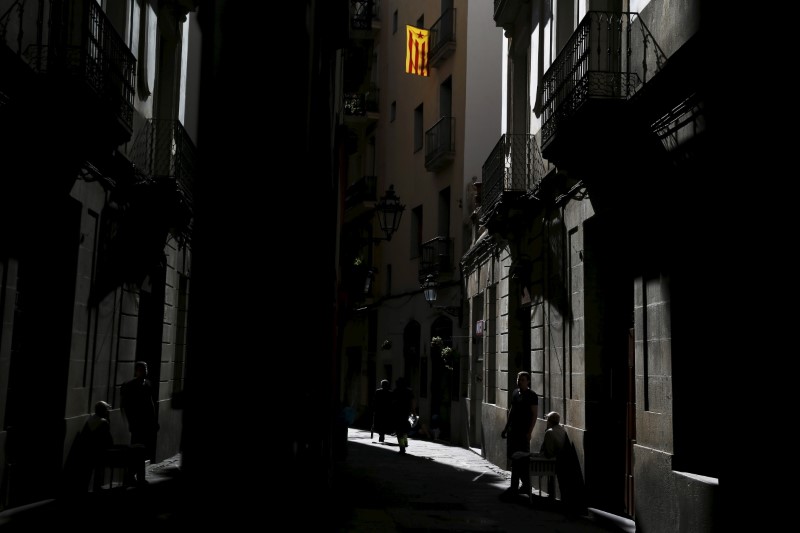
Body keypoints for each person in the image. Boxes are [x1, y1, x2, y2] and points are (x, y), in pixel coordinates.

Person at [500, 371, 538, 500]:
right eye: (518, 379)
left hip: (523, 433)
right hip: (513, 431)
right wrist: (506, 428)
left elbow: (534, 415)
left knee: (520, 459)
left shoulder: (532, 395)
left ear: (528, 381)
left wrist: (529, 432)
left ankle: (516, 487)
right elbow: (512, 411)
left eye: (522, 379)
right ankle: (523, 486)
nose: (519, 381)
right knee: (514, 458)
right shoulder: (515, 393)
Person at [121, 361, 159, 484]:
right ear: (136, 371)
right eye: (142, 369)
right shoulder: (131, 385)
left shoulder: (148, 384)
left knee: (143, 450)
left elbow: (150, 403)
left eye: (146, 368)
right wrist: (131, 422)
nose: (145, 371)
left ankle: (136, 476)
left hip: (147, 423)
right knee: (136, 450)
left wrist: (154, 420)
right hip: (137, 424)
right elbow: (127, 406)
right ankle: (133, 475)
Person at [80, 401, 114, 491]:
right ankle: (97, 488)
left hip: (87, 451)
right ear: (103, 411)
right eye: (107, 410)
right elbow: (109, 441)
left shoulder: (90, 420)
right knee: (99, 471)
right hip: (98, 452)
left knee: (87, 473)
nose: (108, 412)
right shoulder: (104, 423)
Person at [539, 411, 567, 498]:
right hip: (561, 460)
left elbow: (549, 452)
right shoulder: (562, 429)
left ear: (549, 421)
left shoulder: (550, 432)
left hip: (553, 462)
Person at [392, 376, 416, 454]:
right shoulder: (409, 391)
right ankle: (405, 441)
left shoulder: (395, 391)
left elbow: (392, 403)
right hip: (406, 413)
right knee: (405, 428)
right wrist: (414, 413)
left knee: (399, 431)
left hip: (397, 413)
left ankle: (402, 447)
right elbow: (412, 403)